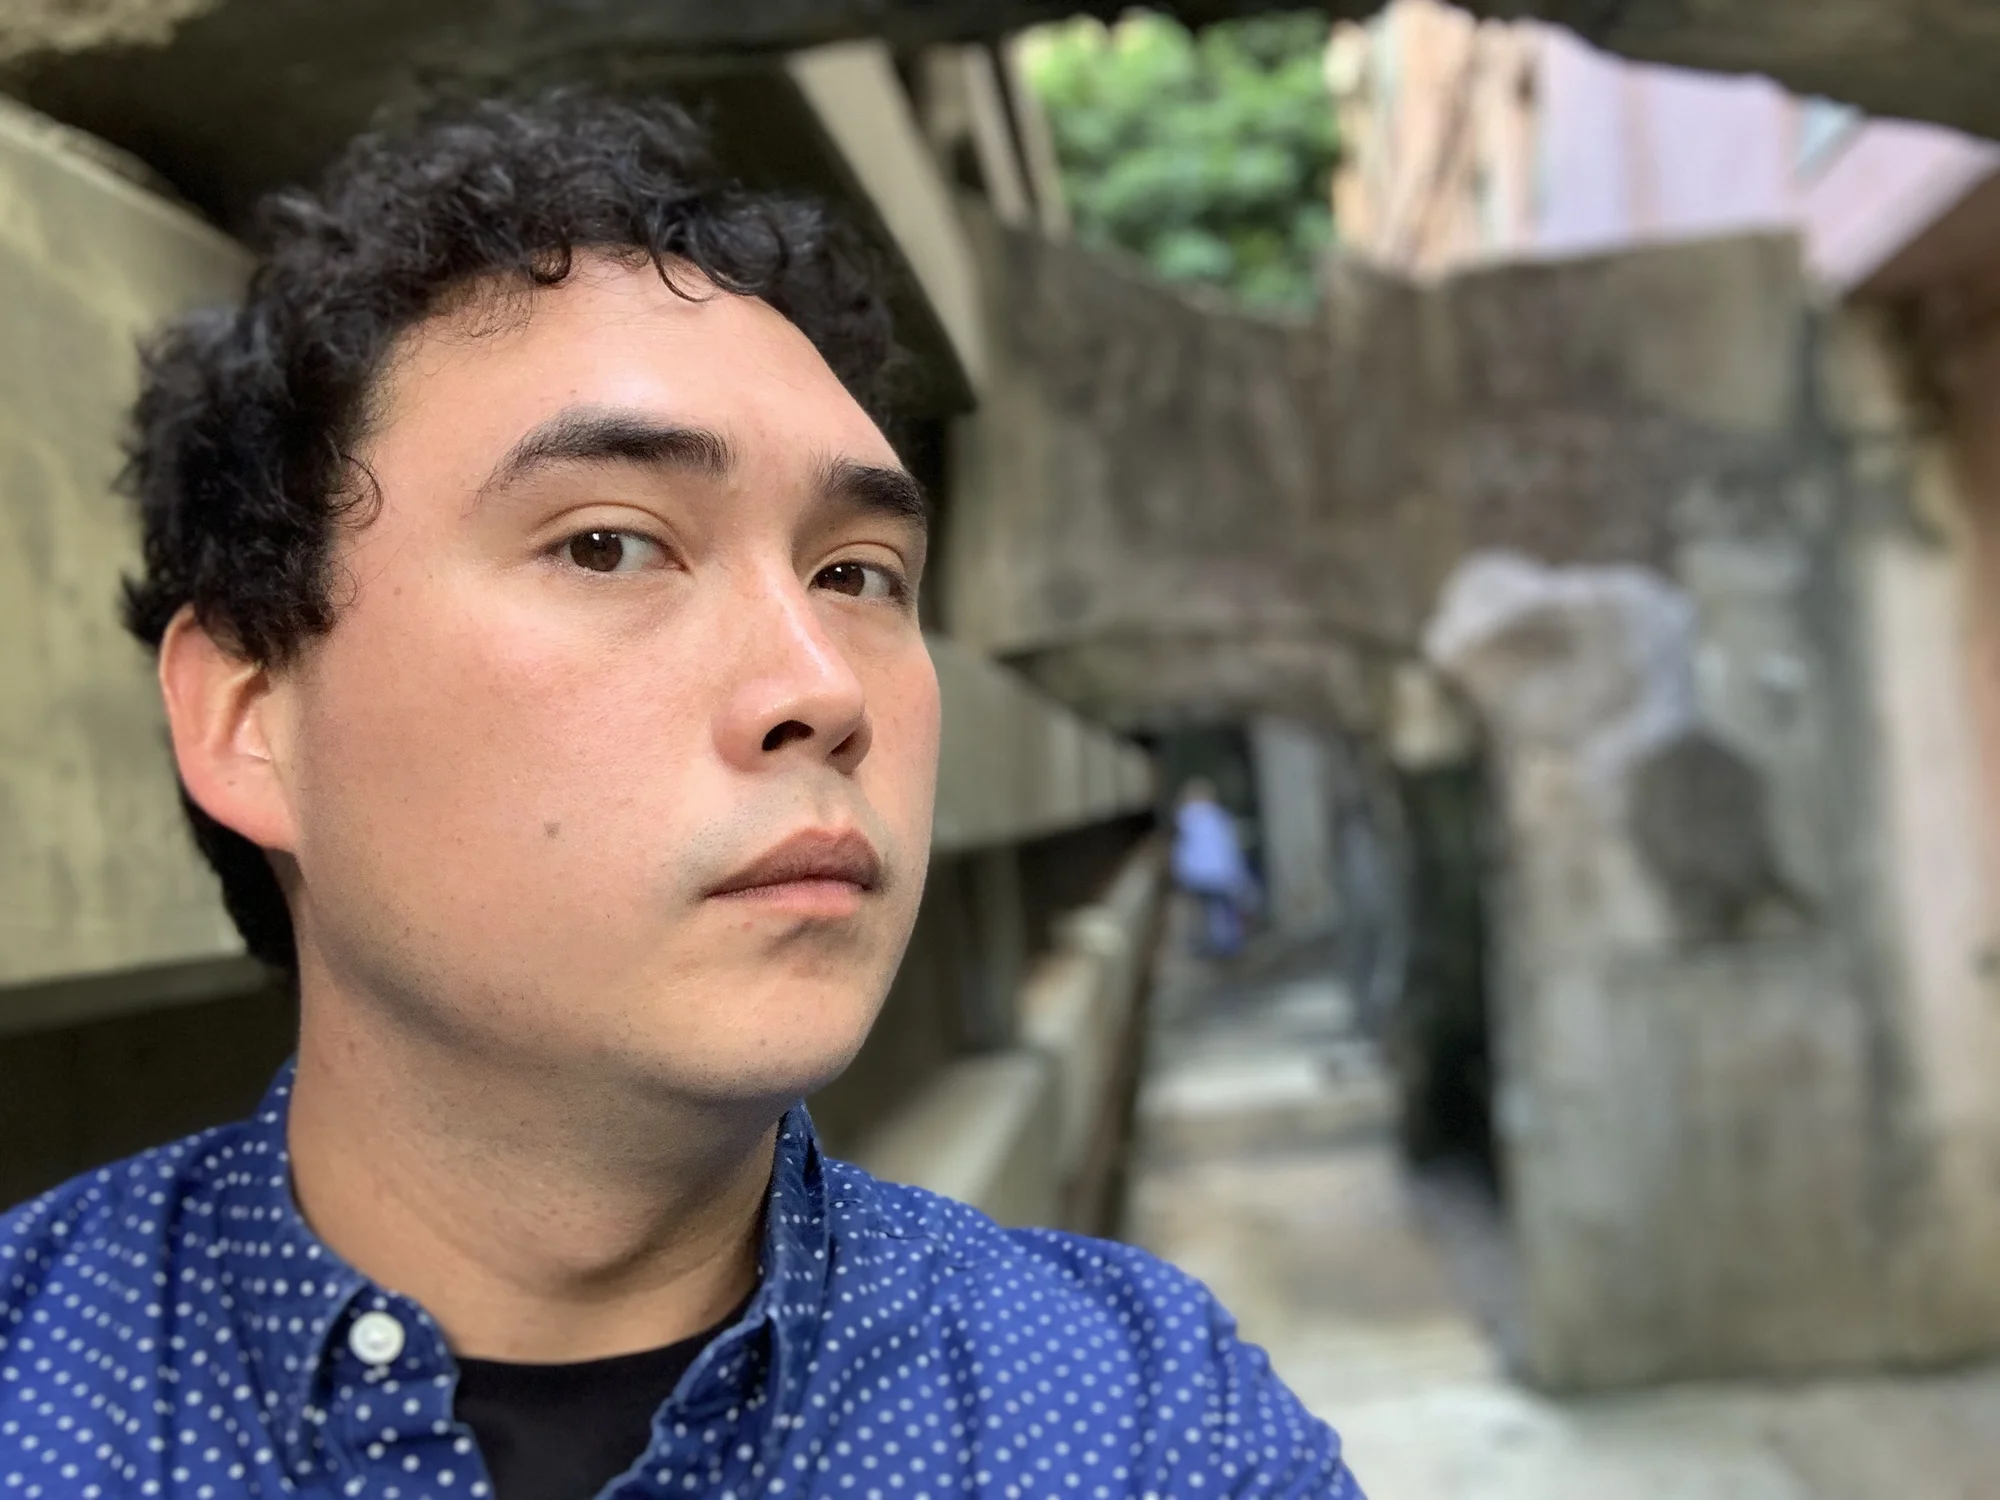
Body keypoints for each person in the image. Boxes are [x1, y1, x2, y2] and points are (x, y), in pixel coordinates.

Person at [0, 96, 1358, 1498]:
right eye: (608, 545)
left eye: (856, 575)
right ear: (248, 718)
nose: (819, 684)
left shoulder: (1142, 1426)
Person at [1172, 778, 1258, 958]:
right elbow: (1228, 849)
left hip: (1197, 876)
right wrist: (1237, 874)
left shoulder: (1184, 821)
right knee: (1225, 910)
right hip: (1220, 873)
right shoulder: (1219, 818)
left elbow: (1182, 852)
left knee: (1209, 911)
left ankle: (1215, 943)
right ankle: (1228, 944)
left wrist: (1182, 875)